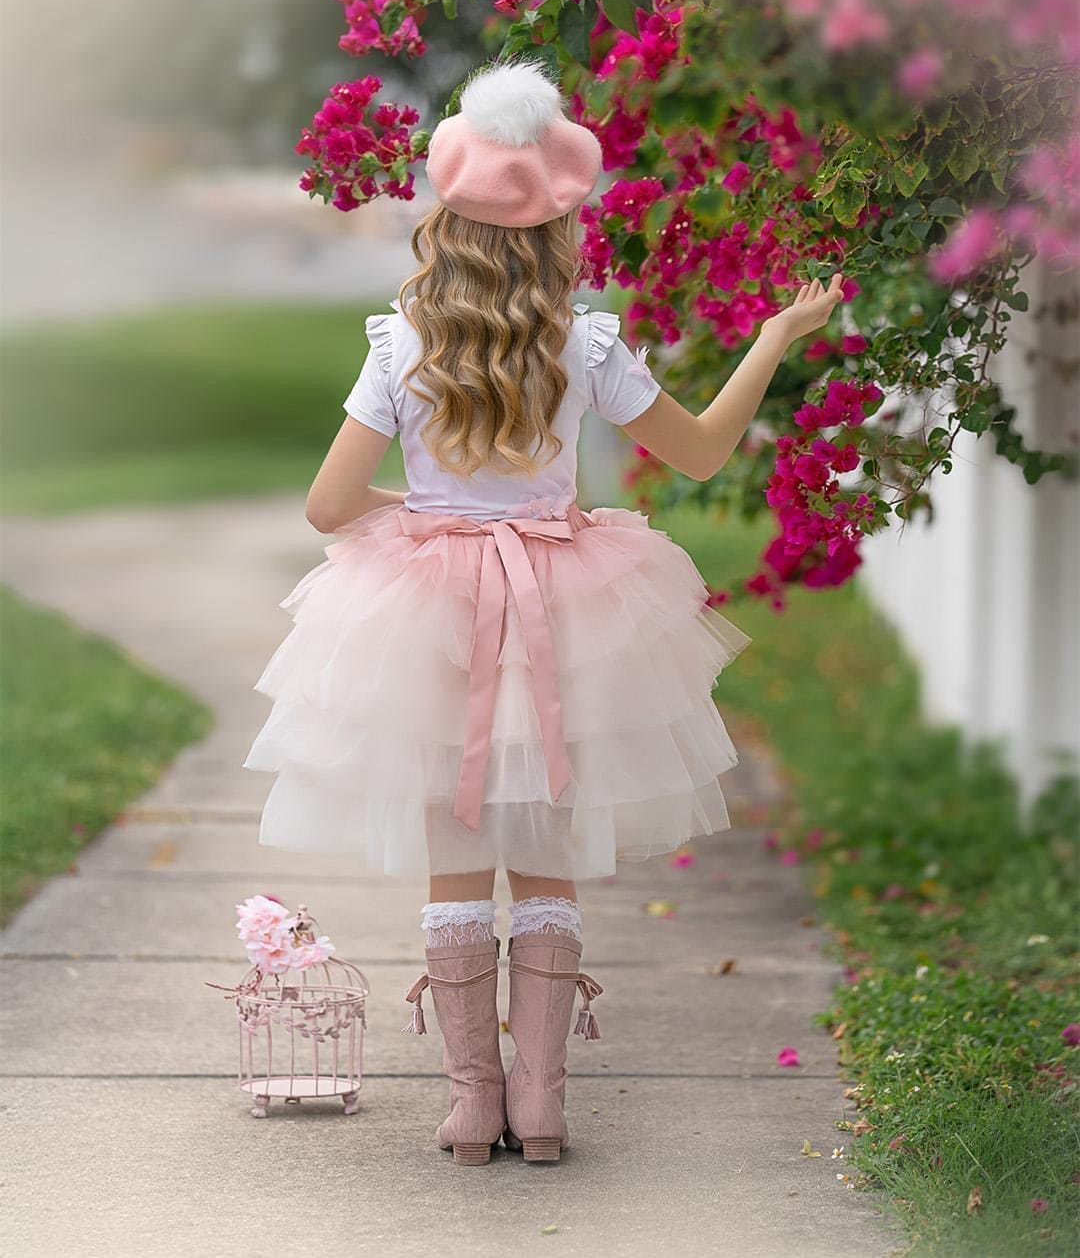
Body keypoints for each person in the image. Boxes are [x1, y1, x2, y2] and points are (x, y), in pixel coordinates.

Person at [243, 59, 845, 1166]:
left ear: (447, 216)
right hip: (565, 608)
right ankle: (543, 1104)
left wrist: (425, 514)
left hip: (428, 617)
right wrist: (773, 338)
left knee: (458, 858)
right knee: (549, 859)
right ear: (554, 222)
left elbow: (330, 506)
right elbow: (704, 453)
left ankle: (474, 1107)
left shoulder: (399, 345)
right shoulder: (588, 344)